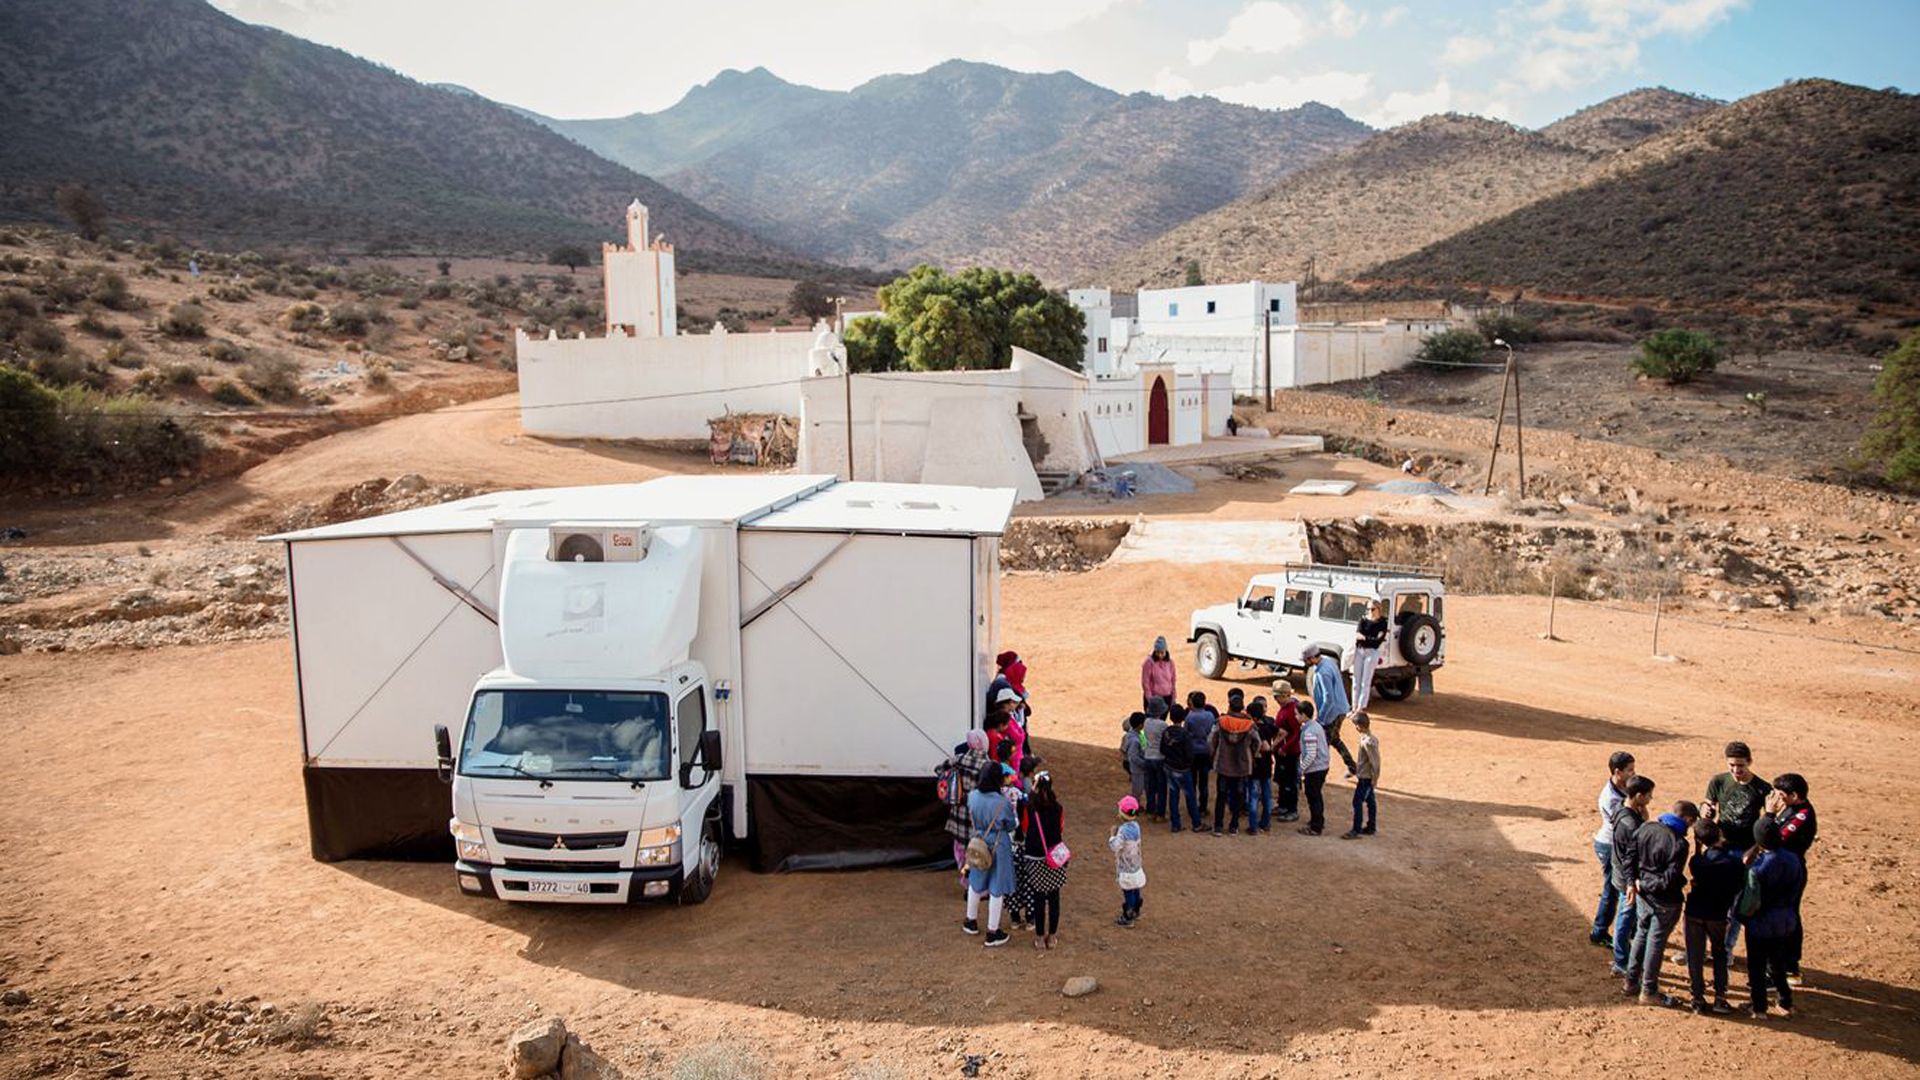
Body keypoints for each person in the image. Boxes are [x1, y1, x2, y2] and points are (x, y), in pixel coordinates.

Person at [1622, 798, 1698, 1007]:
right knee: (1655, 942)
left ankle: (1630, 981)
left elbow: (1629, 859)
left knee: (1641, 934)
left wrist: (1633, 883)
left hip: (1642, 895)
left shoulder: (1646, 828)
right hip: (1664, 900)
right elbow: (1669, 879)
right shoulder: (1679, 843)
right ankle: (1648, 990)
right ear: (1687, 819)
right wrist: (1644, 885)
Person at [1704, 741, 1771, 953]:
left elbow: (1769, 825)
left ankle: (1727, 947)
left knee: (1737, 903)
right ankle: (1708, 945)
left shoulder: (1762, 788)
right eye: (1732, 765)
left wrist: (1756, 848)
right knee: (1714, 899)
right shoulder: (1719, 781)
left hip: (1745, 851)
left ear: (1749, 762)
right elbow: (1707, 803)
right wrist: (1705, 809)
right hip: (1721, 847)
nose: (1736, 770)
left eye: (1740, 766)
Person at [1743, 818, 1805, 1019]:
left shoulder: (1759, 867)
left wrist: (1742, 916)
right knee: (1778, 964)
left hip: (1761, 923)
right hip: (1786, 919)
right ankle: (1785, 1002)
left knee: (1757, 967)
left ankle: (1759, 1007)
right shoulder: (1794, 859)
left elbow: (1750, 901)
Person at [1683, 818, 1742, 1014]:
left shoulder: (1696, 862)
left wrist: (1698, 847)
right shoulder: (1731, 863)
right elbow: (1737, 887)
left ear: (1699, 841)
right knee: (1719, 954)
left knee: (1695, 955)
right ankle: (1720, 997)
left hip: (1694, 913)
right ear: (1720, 835)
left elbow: (1698, 866)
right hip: (1717, 914)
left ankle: (1697, 998)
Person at [1762, 773, 1817, 984]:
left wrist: (1768, 814)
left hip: (1789, 872)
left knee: (1785, 916)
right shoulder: (1791, 808)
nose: (1776, 797)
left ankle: (1789, 967)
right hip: (1781, 868)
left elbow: (1774, 838)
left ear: (1794, 795)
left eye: (1780, 794)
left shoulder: (1801, 815)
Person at [963, 765, 1019, 947]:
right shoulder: (1002, 802)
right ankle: (992, 932)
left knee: (975, 881)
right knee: (997, 887)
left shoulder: (972, 796)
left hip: (978, 842)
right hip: (998, 846)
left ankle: (970, 921)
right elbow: (1010, 825)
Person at [1607, 775, 1655, 978]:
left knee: (1627, 916)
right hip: (1628, 877)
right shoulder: (1631, 824)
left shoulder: (1621, 809)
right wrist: (1630, 883)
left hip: (1619, 872)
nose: (1651, 799)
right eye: (1649, 795)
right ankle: (1620, 961)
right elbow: (1631, 858)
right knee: (1626, 917)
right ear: (1638, 796)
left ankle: (1623, 956)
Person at [1589, 751, 1637, 949]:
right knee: (1612, 890)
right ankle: (1599, 931)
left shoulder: (1621, 789)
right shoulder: (1611, 798)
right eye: (1630, 770)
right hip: (1610, 846)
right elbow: (1625, 824)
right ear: (1618, 772)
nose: (1633, 774)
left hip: (1613, 844)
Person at [1020, 770, 1068, 950]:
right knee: (1054, 897)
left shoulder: (1030, 808)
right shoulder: (1058, 808)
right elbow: (1061, 828)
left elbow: (1024, 828)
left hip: (1035, 856)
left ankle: (1039, 937)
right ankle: (1053, 936)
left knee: (1038, 897)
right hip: (1054, 856)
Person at [1303, 646, 1359, 777]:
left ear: (1312, 658)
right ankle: (1351, 766)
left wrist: (1321, 718)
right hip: (1340, 709)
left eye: (1306, 660)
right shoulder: (1328, 662)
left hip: (1332, 713)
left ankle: (1319, 773)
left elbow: (1328, 698)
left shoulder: (1323, 672)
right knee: (1334, 739)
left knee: (1323, 743)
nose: (1305, 662)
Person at [943, 731, 991, 875]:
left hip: (958, 813)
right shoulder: (988, 765)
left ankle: (966, 882)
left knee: (961, 849)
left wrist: (954, 786)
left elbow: (941, 769)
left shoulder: (959, 759)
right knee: (978, 851)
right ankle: (977, 886)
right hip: (978, 815)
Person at [1209, 691, 1256, 836]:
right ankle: (1233, 826)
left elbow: (1211, 740)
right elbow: (1257, 742)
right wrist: (1251, 755)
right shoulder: (1249, 724)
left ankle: (1218, 826)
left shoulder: (1221, 721)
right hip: (1241, 765)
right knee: (1238, 796)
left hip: (1223, 763)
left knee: (1221, 796)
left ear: (1229, 706)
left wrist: (1213, 755)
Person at [1160, 705, 1200, 833]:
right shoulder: (1185, 734)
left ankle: (1175, 824)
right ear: (1183, 718)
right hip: (1182, 769)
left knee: (1173, 795)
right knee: (1190, 796)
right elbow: (1189, 754)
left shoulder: (1166, 732)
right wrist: (1187, 764)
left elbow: (1162, 749)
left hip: (1169, 766)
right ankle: (1196, 823)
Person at [1110, 795, 1146, 927]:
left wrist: (1112, 836)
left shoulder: (1123, 831)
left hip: (1126, 867)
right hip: (1136, 865)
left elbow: (1115, 846)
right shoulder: (1136, 826)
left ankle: (1128, 916)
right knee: (1135, 888)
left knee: (1128, 890)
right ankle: (1136, 910)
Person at [1342, 712, 1379, 839]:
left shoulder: (1368, 742)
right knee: (1370, 802)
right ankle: (1371, 826)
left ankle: (1356, 830)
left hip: (1366, 778)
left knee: (1357, 802)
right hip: (1365, 776)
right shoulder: (1369, 738)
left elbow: (1375, 762)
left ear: (1360, 726)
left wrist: (1374, 779)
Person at [1272, 681, 1303, 823]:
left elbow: (1297, 733)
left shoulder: (1292, 710)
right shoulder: (1287, 708)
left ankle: (1292, 810)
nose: (1276, 700)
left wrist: (1285, 748)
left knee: (1290, 782)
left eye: (1277, 697)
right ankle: (1283, 805)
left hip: (1290, 752)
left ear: (1284, 696)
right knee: (1283, 780)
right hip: (1283, 752)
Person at [1297, 704, 1330, 836]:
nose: (1296, 716)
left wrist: (1301, 768)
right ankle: (1318, 821)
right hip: (1322, 766)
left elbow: (1311, 754)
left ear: (1304, 714)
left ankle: (1316, 827)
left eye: (1297, 714)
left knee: (1313, 796)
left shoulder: (1309, 731)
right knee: (1316, 795)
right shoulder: (1315, 726)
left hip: (1315, 769)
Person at [1247, 696, 1278, 834]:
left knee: (1253, 796)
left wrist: (1258, 749)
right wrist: (1274, 747)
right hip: (1266, 764)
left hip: (1255, 765)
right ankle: (1265, 823)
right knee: (1266, 794)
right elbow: (1282, 732)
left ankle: (1253, 826)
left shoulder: (1254, 729)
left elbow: (1264, 746)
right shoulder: (1269, 724)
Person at [1351, 601, 1389, 712]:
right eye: (1368, 609)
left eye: (1372, 609)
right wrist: (1368, 638)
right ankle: (1354, 706)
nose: (1370, 612)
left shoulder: (1382, 623)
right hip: (1359, 651)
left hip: (1372, 653)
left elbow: (1377, 642)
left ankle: (1360, 707)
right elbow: (1358, 634)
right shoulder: (1363, 619)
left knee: (1365, 681)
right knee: (1356, 680)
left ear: (1378, 609)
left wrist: (1365, 638)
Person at [1185, 691, 1217, 816]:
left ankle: (1192, 808)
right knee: (1204, 782)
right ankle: (1203, 808)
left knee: (1192, 782)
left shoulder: (1189, 717)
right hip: (1206, 752)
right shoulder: (1210, 715)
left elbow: (1186, 734)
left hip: (1193, 753)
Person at [1142, 698, 1169, 822]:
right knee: (1161, 787)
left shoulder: (1146, 722)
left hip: (1148, 756)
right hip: (1159, 758)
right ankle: (1160, 814)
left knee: (1150, 786)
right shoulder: (1163, 725)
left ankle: (1150, 810)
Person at [1119, 712, 1149, 806]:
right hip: (1137, 767)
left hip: (1134, 765)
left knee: (1138, 788)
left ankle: (1135, 805)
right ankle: (1133, 807)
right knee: (1137, 789)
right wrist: (1145, 764)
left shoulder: (1133, 735)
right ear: (1140, 725)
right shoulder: (1136, 739)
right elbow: (1134, 757)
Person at [1141, 637, 1177, 712]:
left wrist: (1173, 698)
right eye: (1158, 652)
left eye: (1162, 652)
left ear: (1166, 651)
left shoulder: (1170, 663)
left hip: (1167, 697)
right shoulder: (1148, 662)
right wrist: (1150, 700)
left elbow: (1173, 681)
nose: (1160, 655)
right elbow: (1145, 683)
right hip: (1154, 698)